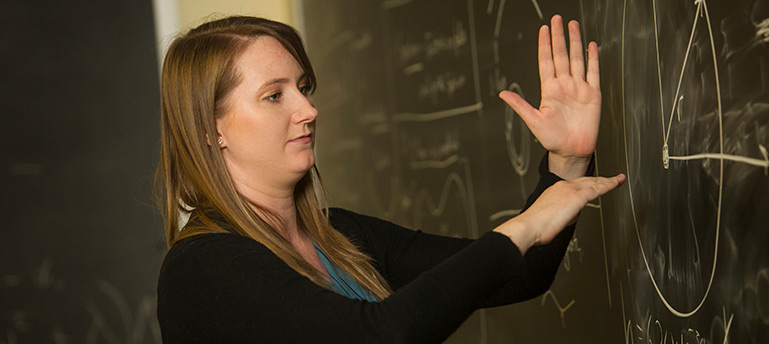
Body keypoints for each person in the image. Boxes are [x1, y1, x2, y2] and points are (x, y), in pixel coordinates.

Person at [155, 14, 625, 343]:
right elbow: (375, 336)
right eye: (274, 96)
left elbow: (519, 275)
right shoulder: (201, 267)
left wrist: (563, 163)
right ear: (210, 131)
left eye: (302, 88)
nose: (309, 110)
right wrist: (522, 226)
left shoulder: (342, 236)